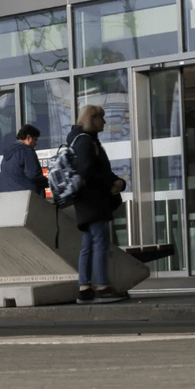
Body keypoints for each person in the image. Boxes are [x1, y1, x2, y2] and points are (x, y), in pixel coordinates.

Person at [68, 105, 129, 304]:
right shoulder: (85, 142)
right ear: (91, 119)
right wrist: (111, 184)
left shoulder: (82, 140)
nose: (104, 122)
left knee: (88, 244)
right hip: (93, 201)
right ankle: (102, 286)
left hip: (85, 201)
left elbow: (94, 170)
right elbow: (90, 171)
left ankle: (84, 288)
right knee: (100, 242)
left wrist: (120, 182)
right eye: (100, 118)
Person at [0, 124, 46, 195]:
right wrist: (48, 182)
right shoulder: (27, 151)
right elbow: (33, 175)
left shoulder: (7, 155)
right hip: (28, 198)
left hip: (10, 198)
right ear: (29, 138)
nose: (36, 143)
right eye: (35, 140)